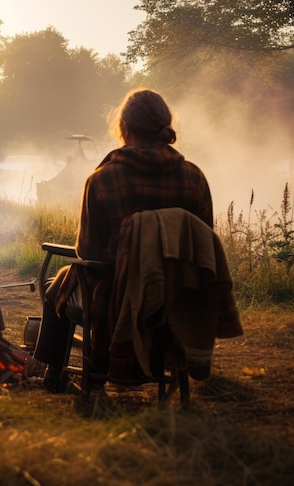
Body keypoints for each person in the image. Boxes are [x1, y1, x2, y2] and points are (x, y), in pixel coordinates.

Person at [33, 88, 214, 392]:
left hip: (113, 303)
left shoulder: (104, 178)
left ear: (124, 128)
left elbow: (87, 251)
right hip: (175, 299)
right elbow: (204, 244)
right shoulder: (194, 178)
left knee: (56, 291)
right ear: (164, 127)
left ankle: (55, 376)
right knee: (69, 280)